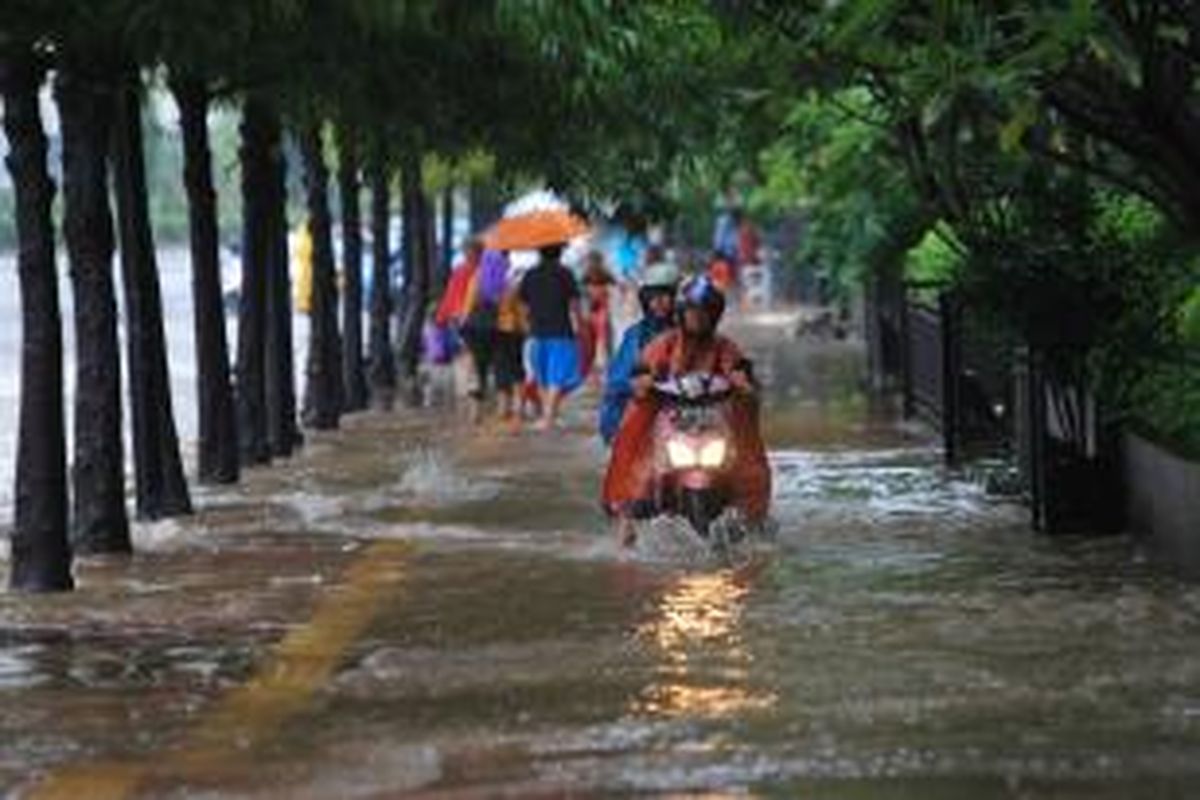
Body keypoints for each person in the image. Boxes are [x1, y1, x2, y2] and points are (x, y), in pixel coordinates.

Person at [602, 275, 771, 548]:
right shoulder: (664, 344)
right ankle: (626, 532)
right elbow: (641, 370)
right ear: (681, 314)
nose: (697, 318)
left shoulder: (724, 346)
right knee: (641, 470)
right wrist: (642, 381)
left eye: (704, 313)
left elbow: (739, 369)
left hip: (715, 421)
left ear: (714, 315)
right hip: (668, 419)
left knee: (745, 465)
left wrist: (743, 381)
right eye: (692, 312)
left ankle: (754, 517)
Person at [598, 259, 680, 445]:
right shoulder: (636, 336)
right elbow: (615, 382)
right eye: (653, 296)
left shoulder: (691, 333)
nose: (659, 302)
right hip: (638, 418)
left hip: (680, 415)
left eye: (666, 295)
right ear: (645, 299)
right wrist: (636, 384)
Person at [518, 243, 583, 430]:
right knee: (557, 376)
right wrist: (580, 324)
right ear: (560, 253)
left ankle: (549, 415)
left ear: (539, 252)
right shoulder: (565, 273)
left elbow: (523, 305)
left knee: (543, 376)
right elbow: (575, 303)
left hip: (536, 332)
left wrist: (526, 326)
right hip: (561, 331)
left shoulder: (530, 274)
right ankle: (549, 417)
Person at [578, 252, 615, 384]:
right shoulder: (587, 275)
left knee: (603, 342)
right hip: (593, 312)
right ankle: (596, 372)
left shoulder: (600, 274)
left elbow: (614, 286)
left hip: (600, 311)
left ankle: (604, 370)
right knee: (594, 343)